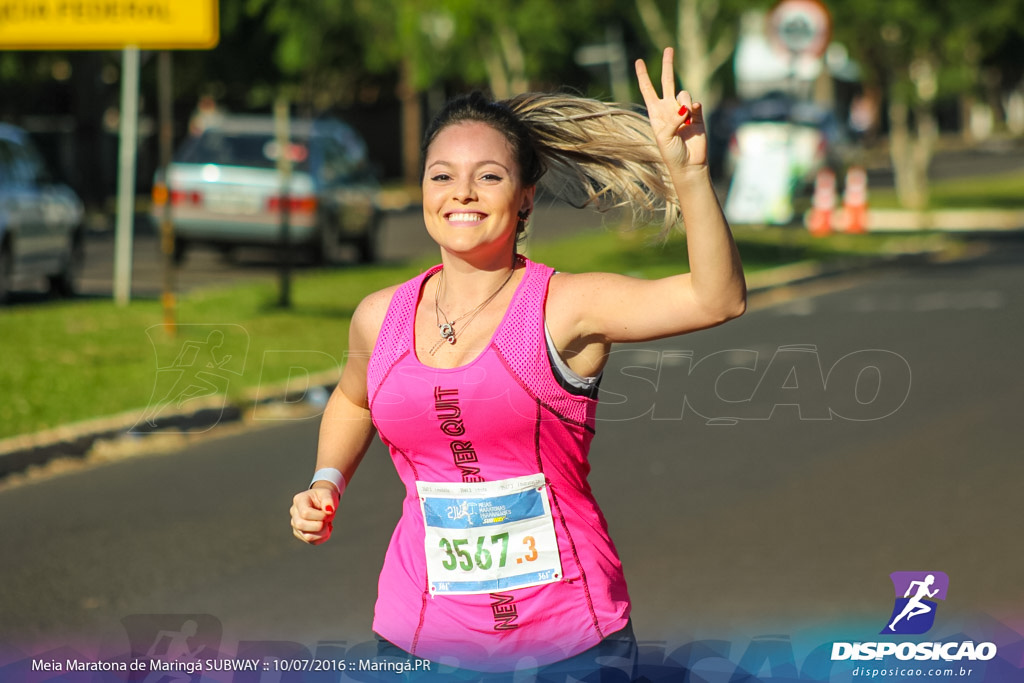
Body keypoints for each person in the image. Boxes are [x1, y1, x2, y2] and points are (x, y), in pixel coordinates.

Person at [290, 47, 746, 678]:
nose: (462, 194)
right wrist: (326, 482)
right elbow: (352, 398)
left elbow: (714, 298)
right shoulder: (379, 317)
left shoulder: (565, 307)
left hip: (567, 640)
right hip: (419, 635)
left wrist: (689, 175)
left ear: (526, 199)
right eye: (442, 176)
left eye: (489, 177)